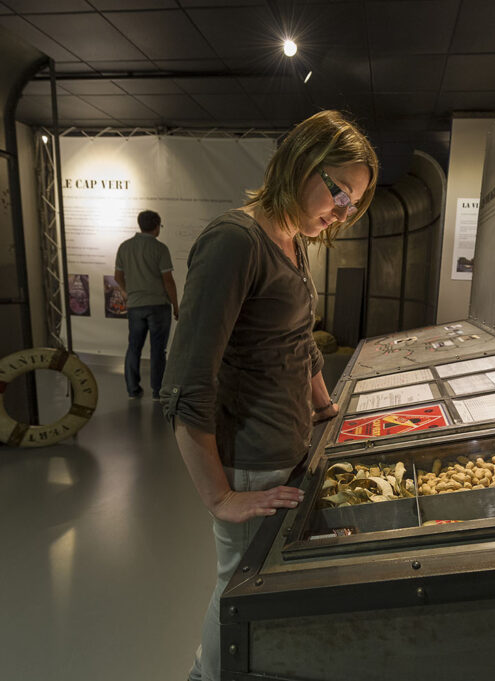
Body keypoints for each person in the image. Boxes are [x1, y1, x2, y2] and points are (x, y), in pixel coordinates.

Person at [160, 110, 377, 681]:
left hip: (285, 448)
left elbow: (298, 340)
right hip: (250, 462)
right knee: (240, 588)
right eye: (339, 192)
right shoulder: (235, 241)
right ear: (302, 163)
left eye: (353, 203)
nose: (342, 211)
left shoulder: (291, 241)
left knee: (266, 584)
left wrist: (326, 407)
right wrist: (219, 498)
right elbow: (187, 380)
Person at [114, 209, 180, 400]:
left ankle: (133, 389)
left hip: (135, 305)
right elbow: (168, 280)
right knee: (158, 349)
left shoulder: (124, 247)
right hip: (158, 305)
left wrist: (128, 292)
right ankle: (158, 390)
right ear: (157, 226)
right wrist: (176, 305)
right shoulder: (160, 249)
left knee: (134, 347)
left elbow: (118, 276)